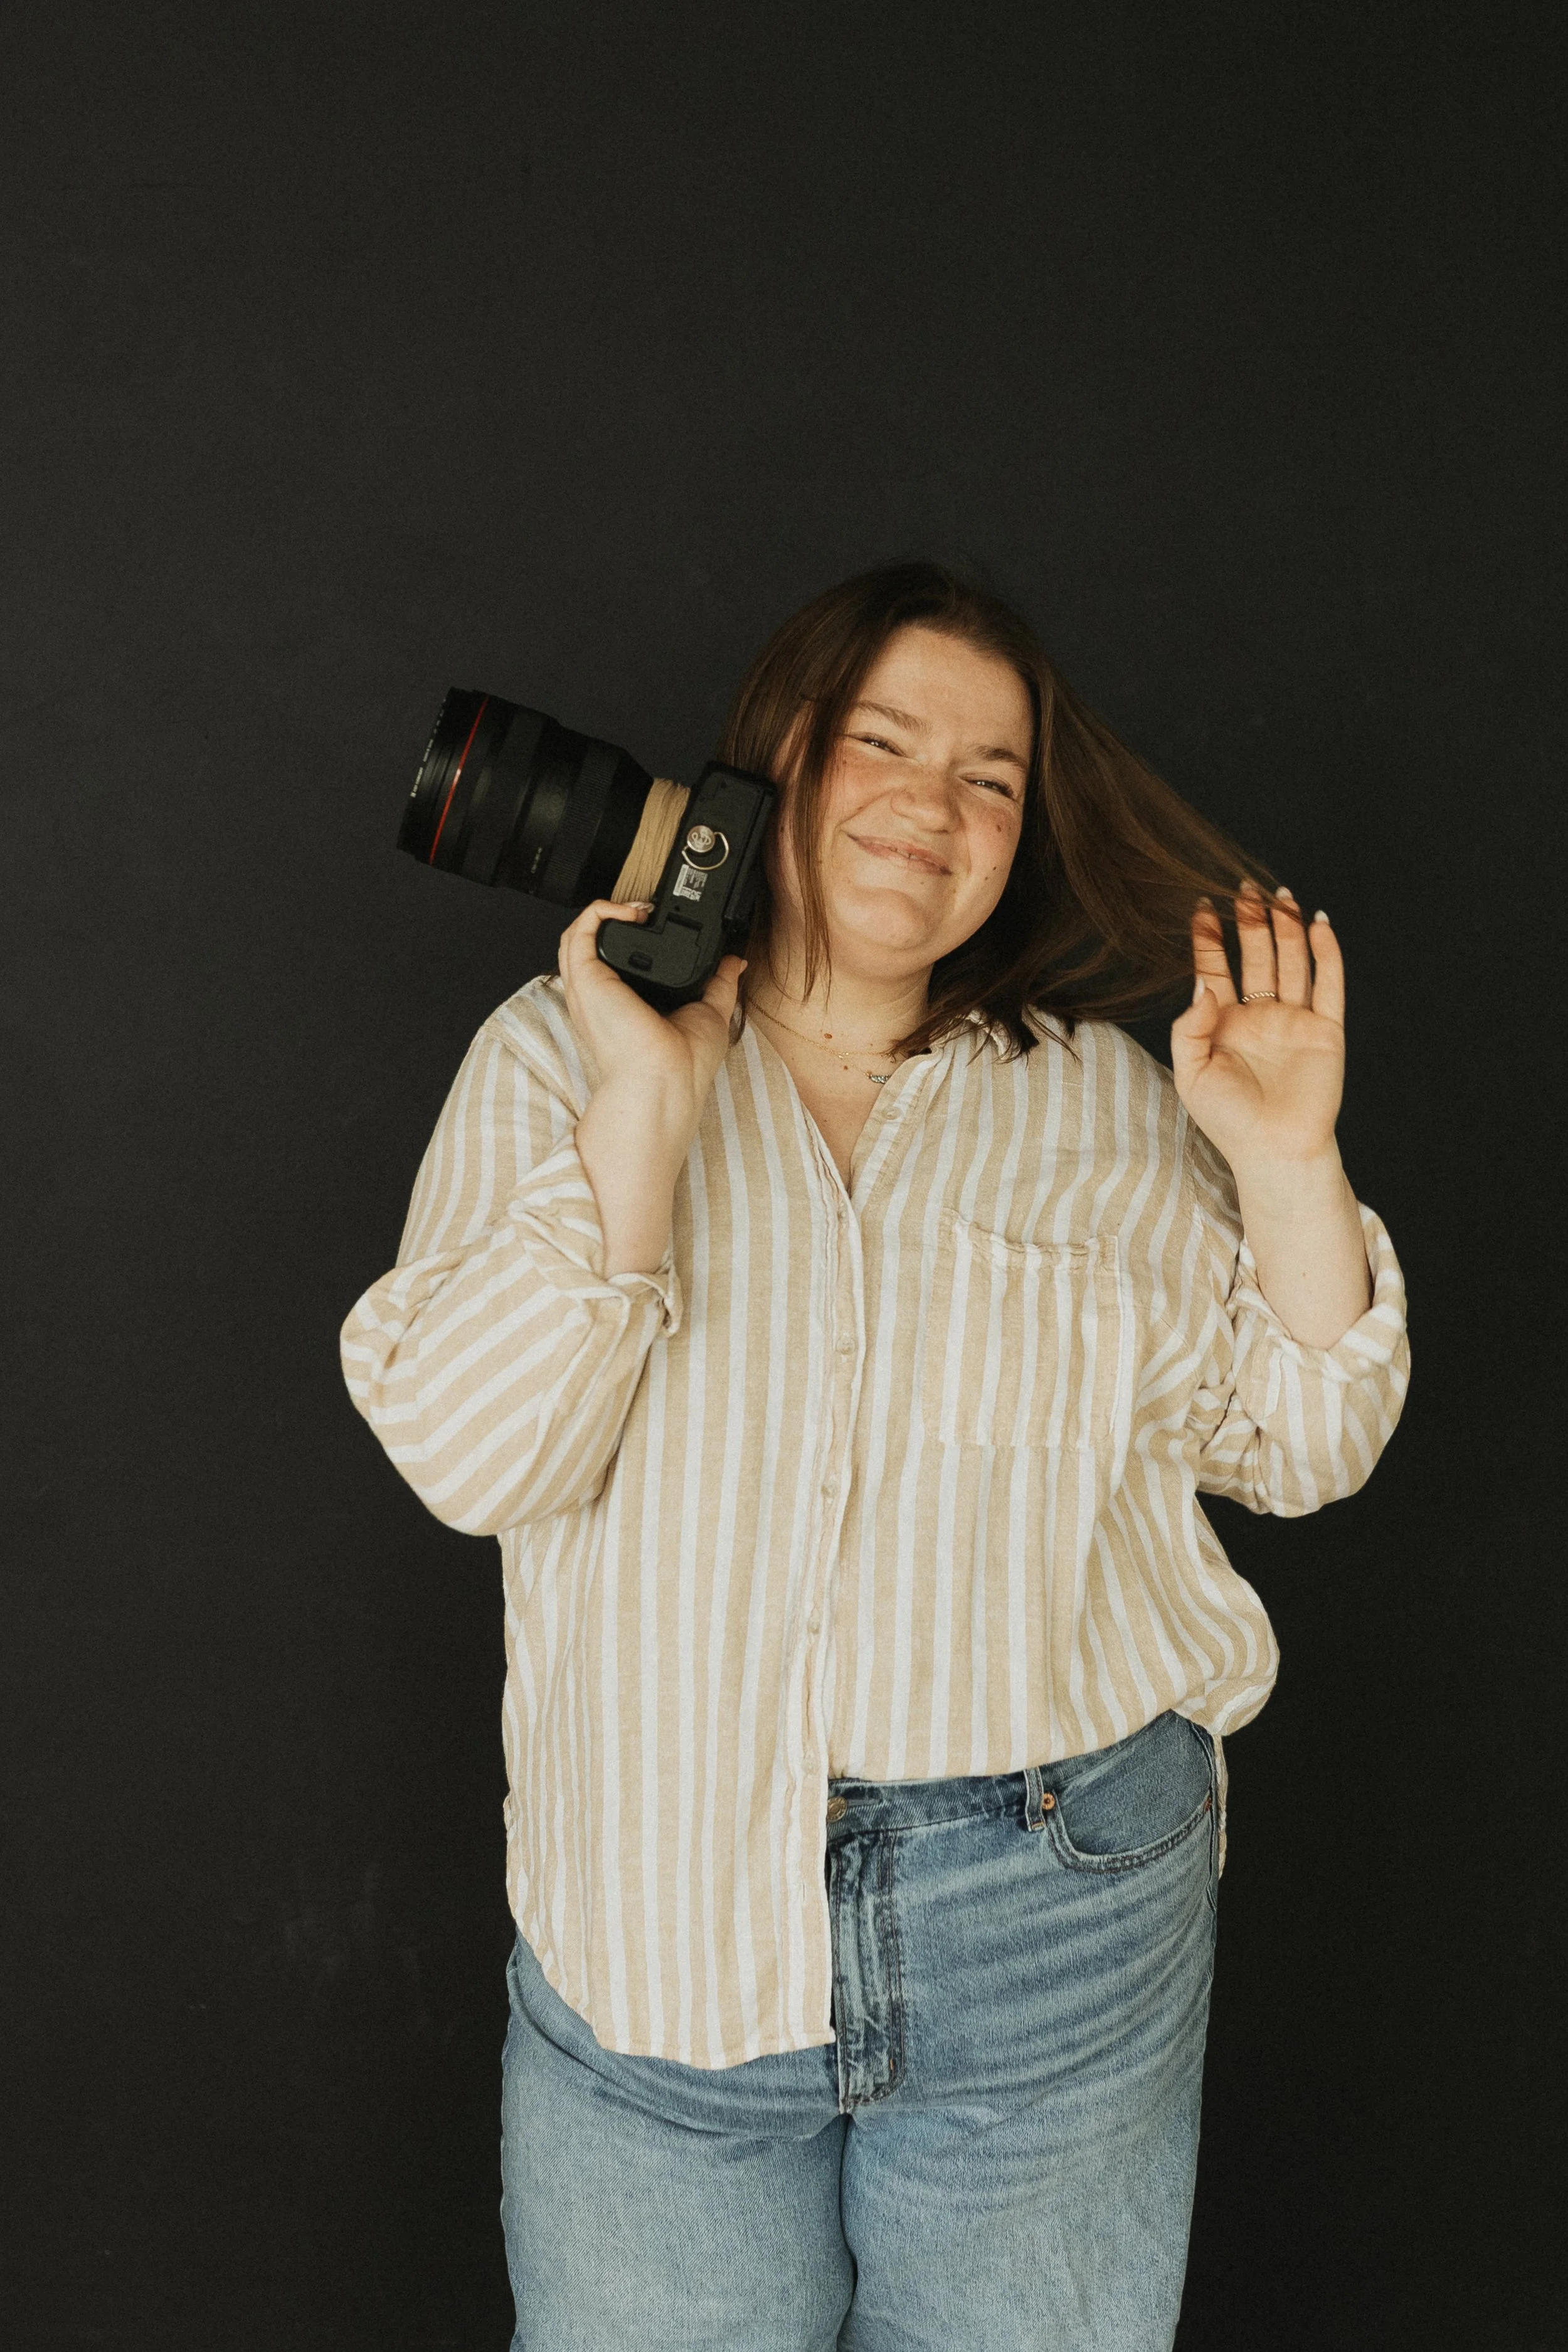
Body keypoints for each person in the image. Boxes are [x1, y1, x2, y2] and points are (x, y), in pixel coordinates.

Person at [341, 562, 1409, 2351]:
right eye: (881, 743)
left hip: (1059, 1915)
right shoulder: (551, 1063)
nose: (933, 806)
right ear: (771, 764)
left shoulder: (1103, 1101)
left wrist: (1289, 1156)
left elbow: (1303, 1442)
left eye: (991, 777)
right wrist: (644, 1105)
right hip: (660, 1914)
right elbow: (471, 1453)